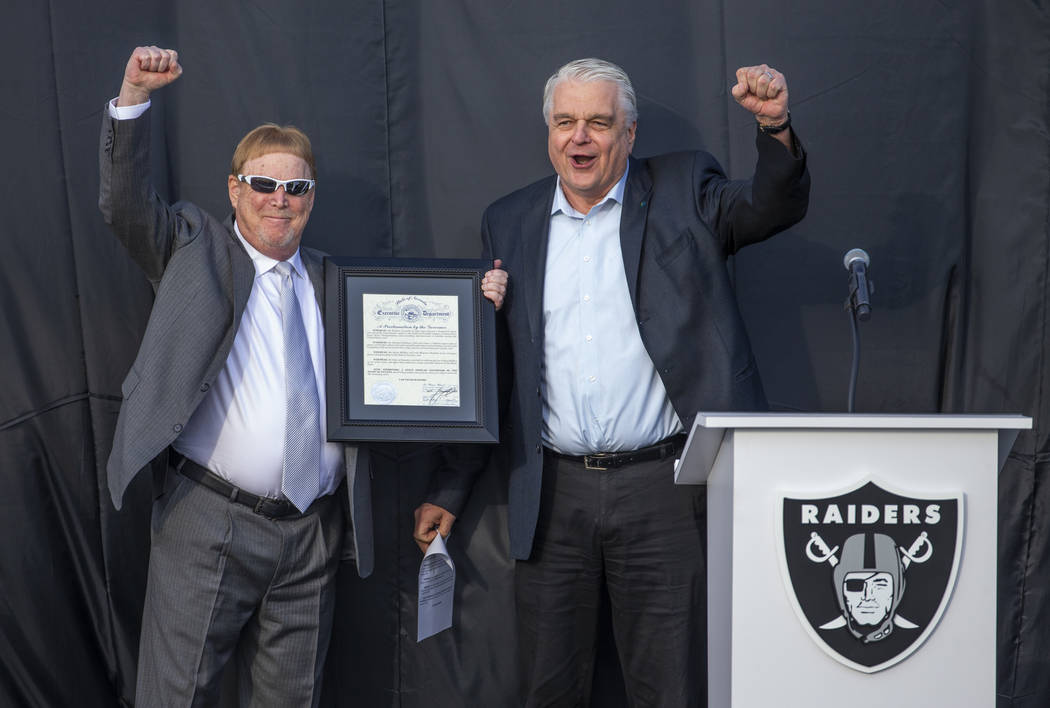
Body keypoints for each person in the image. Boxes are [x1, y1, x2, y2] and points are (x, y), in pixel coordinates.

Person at [413, 58, 809, 706]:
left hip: (664, 489)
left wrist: (775, 129)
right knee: (549, 684)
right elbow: (501, 372)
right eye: (566, 122)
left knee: (670, 684)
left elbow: (771, 205)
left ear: (628, 133)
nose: (581, 138)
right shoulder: (509, 222)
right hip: (554, 492)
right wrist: (452, 486)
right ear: (548, 133)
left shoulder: (685, 188)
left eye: (599, 123)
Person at [101, 45, 368, 706]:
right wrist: (134, 95)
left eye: (296, 187)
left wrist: (480, 299)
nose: (280, 200)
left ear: (311, 197)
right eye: (264, 185)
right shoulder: (195, 245)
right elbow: (125, 206)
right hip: (210, 521)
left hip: (312, 533)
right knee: (176, 697)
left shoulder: (342, 283)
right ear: (235, 190)